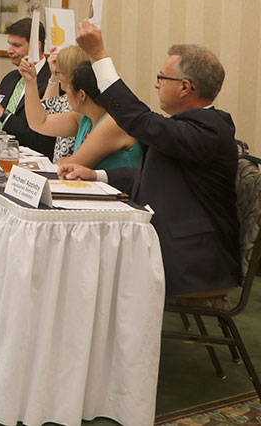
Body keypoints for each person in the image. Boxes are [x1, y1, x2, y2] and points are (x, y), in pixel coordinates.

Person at [61, 21, 239, 299]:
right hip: (171, 243)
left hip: (194, 261)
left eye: (161, 78)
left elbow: (139, 120)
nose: (156, 84)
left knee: (84, 266)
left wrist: (98, 55)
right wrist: (95, 175)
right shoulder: (189, 127)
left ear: (185, 87)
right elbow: (153, 174)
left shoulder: (209, 130)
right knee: (83, 258)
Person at [18, 57, 143, 170]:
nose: (65, 94)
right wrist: (30, 81)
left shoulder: (112, 122)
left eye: (68, 89)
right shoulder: (85, 118)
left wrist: (63, 161)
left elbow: (70, 165)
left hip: (118, 188)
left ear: (81, 95)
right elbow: (39, 122)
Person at [0, 17, 55, 155]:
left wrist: (1, 112)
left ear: (36, 45)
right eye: (9, 44)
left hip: (26, 158)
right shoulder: (10, 78)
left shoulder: (52, 83)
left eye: (16, 45)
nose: (9, 50)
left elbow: (38, 138)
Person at [40, 45, 87, 161]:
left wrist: (30, 81)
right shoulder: (66, 98)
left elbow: (39, 121)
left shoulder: (84, 102)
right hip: (59, 166)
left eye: (59, 71)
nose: (58, 74)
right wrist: (54, 76)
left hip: (73, 167)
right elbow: (44, 113)